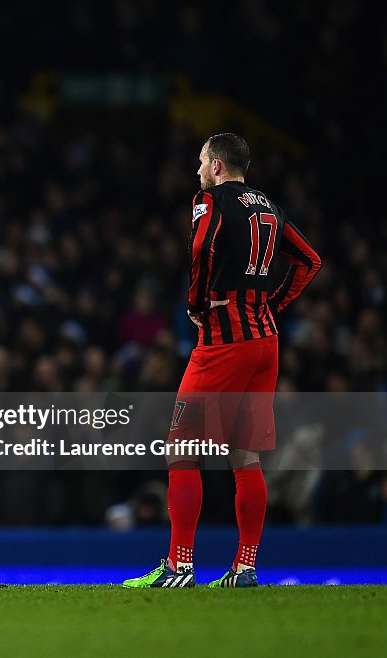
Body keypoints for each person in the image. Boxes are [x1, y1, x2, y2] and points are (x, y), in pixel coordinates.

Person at [124, 133, 321, 588]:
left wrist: (195, 302)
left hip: (223, 342)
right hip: (265, 341)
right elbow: (310, 262)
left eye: (200, 162)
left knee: (181, 451)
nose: (197, 170)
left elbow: (200, 248)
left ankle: (179, 567)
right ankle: (245, 567)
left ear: (216, 165)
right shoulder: (269, 207)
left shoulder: (209, 200)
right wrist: (272, 305)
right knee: (244, 455)